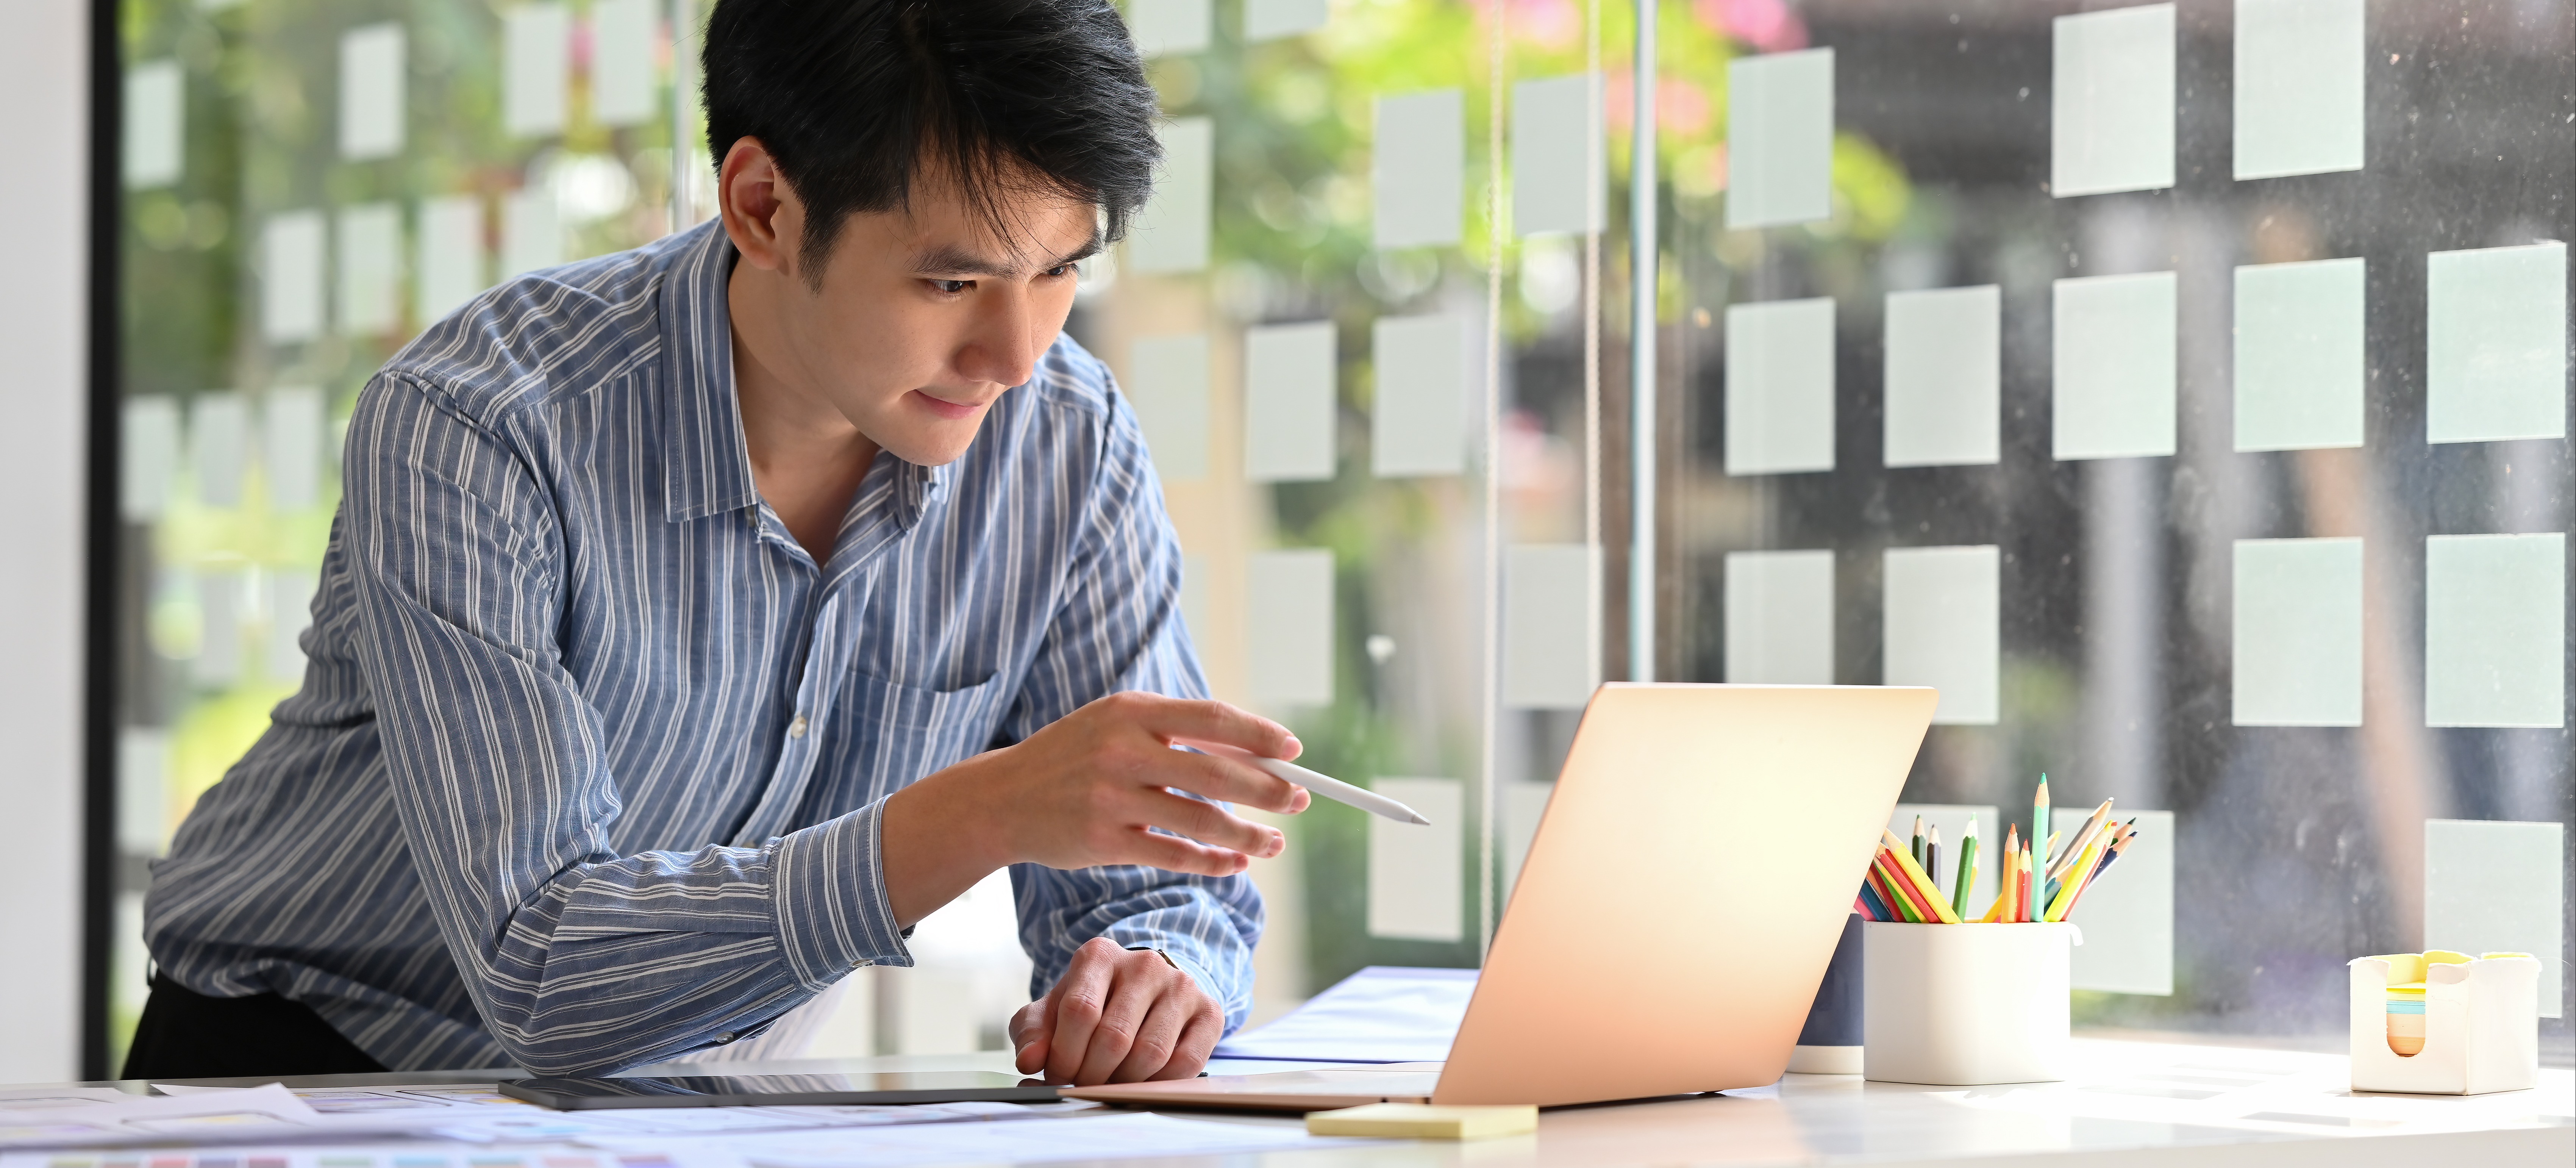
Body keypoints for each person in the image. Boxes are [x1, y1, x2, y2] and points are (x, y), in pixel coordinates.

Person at [132, 0, 1309, 1085]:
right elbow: (537, 967)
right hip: (301, 1072)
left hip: (688, 1100)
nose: (1014, 354)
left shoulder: (1065, 441)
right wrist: (982, 812)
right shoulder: (482, 423)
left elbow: (1159, 886)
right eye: (953, 280)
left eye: (1061, 270)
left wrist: (1158, 974)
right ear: (763, 207)